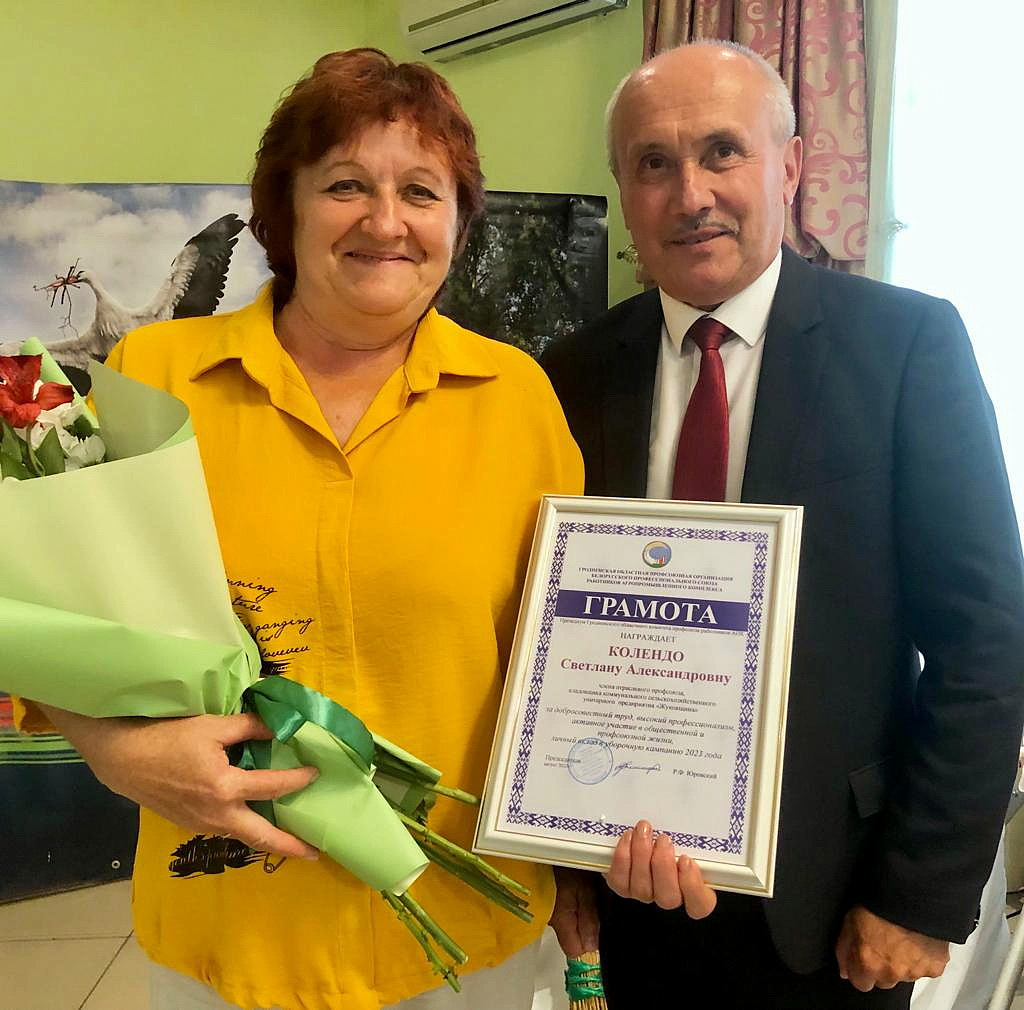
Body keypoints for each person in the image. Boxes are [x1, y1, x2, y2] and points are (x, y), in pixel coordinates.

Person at [16, 49, 583, 1010]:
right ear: (286, 208)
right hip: (231, 927)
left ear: (457, 220)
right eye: (346, 185)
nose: (386, 221)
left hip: (461, 926)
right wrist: (117, 752)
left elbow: (568, 661)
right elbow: (50, 626)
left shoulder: (518, 398)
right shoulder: (156, 376)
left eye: (421, 191)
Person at [541, 40, 1024, 1009]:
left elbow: (986, 636)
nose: (691, 195)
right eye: (653, 163)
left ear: (791, 165)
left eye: (722, 151)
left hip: (838, 905)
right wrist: (557, 854)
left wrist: (917, 893)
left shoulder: (907, 344)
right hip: (634, 889)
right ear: (624, 190)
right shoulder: (570, 373)